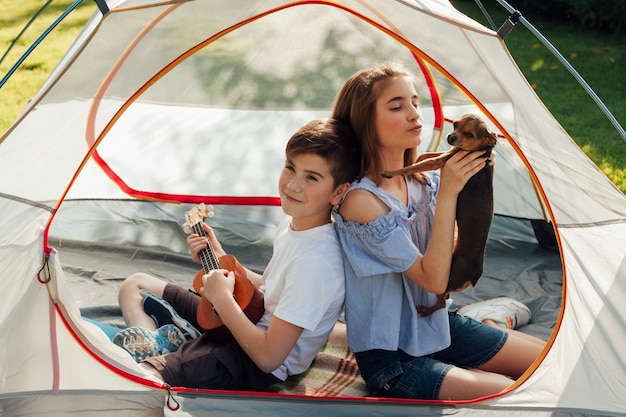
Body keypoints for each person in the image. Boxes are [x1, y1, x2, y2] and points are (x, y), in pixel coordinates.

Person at [330, 62, 546, 401]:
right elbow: (432, 280)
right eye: (397, 106)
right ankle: (477, 347)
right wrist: (448, 192)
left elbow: (454, 244)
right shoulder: (361, 201)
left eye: (415, 102)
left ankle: (485, 328)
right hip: (393, 359)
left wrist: (471, 180)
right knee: (520, 394)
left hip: (438, 325)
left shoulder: (419, 180)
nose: (415, 114)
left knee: (550, 361)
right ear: (363, 121)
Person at [113, 118, 360, 390]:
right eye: (290, 168)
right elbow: (270, 290)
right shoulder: (294, 223)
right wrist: (221, 257)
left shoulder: (316, 262)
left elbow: (269, 358)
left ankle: (165, 354)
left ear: (338, 192)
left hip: (250, 361)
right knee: (135, 285)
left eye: (311, 177)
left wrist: (221, 298)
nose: (293, 186)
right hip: (246, 318)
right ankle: (157, 342)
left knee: (139, 379)